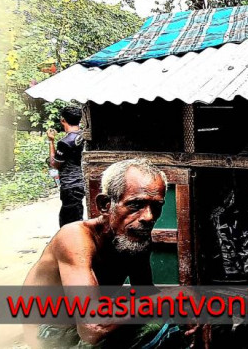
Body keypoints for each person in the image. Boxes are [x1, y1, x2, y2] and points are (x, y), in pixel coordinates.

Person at [23, 159, 197, 348]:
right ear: (105, 204)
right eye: (136, 205)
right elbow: (93, 326)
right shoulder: (74, 237)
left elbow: (145, 295)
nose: (149, 217)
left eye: (156, 206)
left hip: (86, 321)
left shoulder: (134, 238)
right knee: (155, 328)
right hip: (50, 333)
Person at [47, 106, 85, 227]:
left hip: (70, 185)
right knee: (76, 217)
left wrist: (51, 141)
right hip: (81, 182)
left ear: (62, 120)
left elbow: (54, 164)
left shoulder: (65, 142)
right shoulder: (84, 137)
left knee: (68, 224)